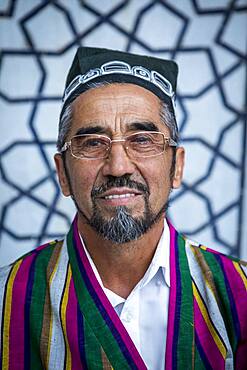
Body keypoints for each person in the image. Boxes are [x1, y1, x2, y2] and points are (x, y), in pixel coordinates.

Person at [0, 47, 246, 370]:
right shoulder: (8, 298)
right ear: (62, 174)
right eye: (92, 143)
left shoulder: (238, 294)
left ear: (177, 167)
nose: (118, 166)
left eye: (142, 139)